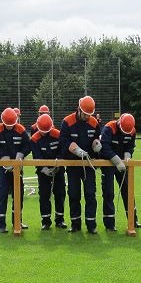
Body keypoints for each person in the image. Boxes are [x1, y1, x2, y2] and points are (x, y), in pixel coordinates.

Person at [59, 95, 101, 234]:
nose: (87, 117)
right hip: (73, 164)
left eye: (90, 114)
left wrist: (96, 146)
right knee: (74, 194)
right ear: (79, 110)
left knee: (90, 194)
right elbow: (63, 142)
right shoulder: (67, 122)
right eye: (85, 114)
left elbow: (97, 138)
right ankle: (75, 224)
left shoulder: (94, 122)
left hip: (89, 165)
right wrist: (75, 149)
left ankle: (91, 225)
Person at [0, 107, 31, 233]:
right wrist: (2, 156)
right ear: (3, 122)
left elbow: (28, 145)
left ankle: (17, 222)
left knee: (18, 195)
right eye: (7, 125)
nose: (9, 127)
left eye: (11, 125)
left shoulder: (20, 129)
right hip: (3, 169)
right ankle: (1, 225)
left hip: (17, 168)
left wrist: (21, 154)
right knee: (2, 195)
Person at [100, 113, 141, 231]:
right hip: (108, 163)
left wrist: (127, 156)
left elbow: (130, 146)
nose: (125, 134)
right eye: (123, 131)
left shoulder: (132, 131)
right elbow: (104, 147)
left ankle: (133, 221)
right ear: (119, 123)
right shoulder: (109, 128)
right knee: (108, 192)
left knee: (128, 191)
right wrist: (117, 161)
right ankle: (109, 225)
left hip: (123, 164)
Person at [30, 113, 67, 229]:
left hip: (59, 170)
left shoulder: (58, 135)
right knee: (44, 195)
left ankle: (59, 220)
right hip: (43, 172)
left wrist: (59, 162)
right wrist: (44, 169)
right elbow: (36, 156)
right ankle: (45, 221)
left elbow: (63, 151)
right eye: (42, 131)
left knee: (60, 193)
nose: (44, 133)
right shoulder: (35, 139)